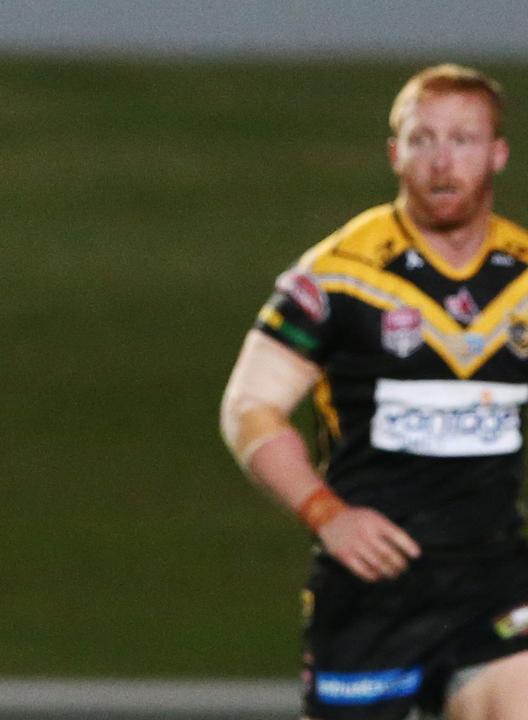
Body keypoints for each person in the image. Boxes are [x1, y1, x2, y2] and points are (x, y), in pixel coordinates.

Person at [221, 63, 528, 720]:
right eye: (423, 140)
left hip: (495, 581)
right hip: (370, 591)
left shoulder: (524, 275)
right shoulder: (340, 277)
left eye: (463, 140)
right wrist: (327, 515)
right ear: (395, 153)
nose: (442, 161)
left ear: (498, 154)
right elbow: (249, 406)